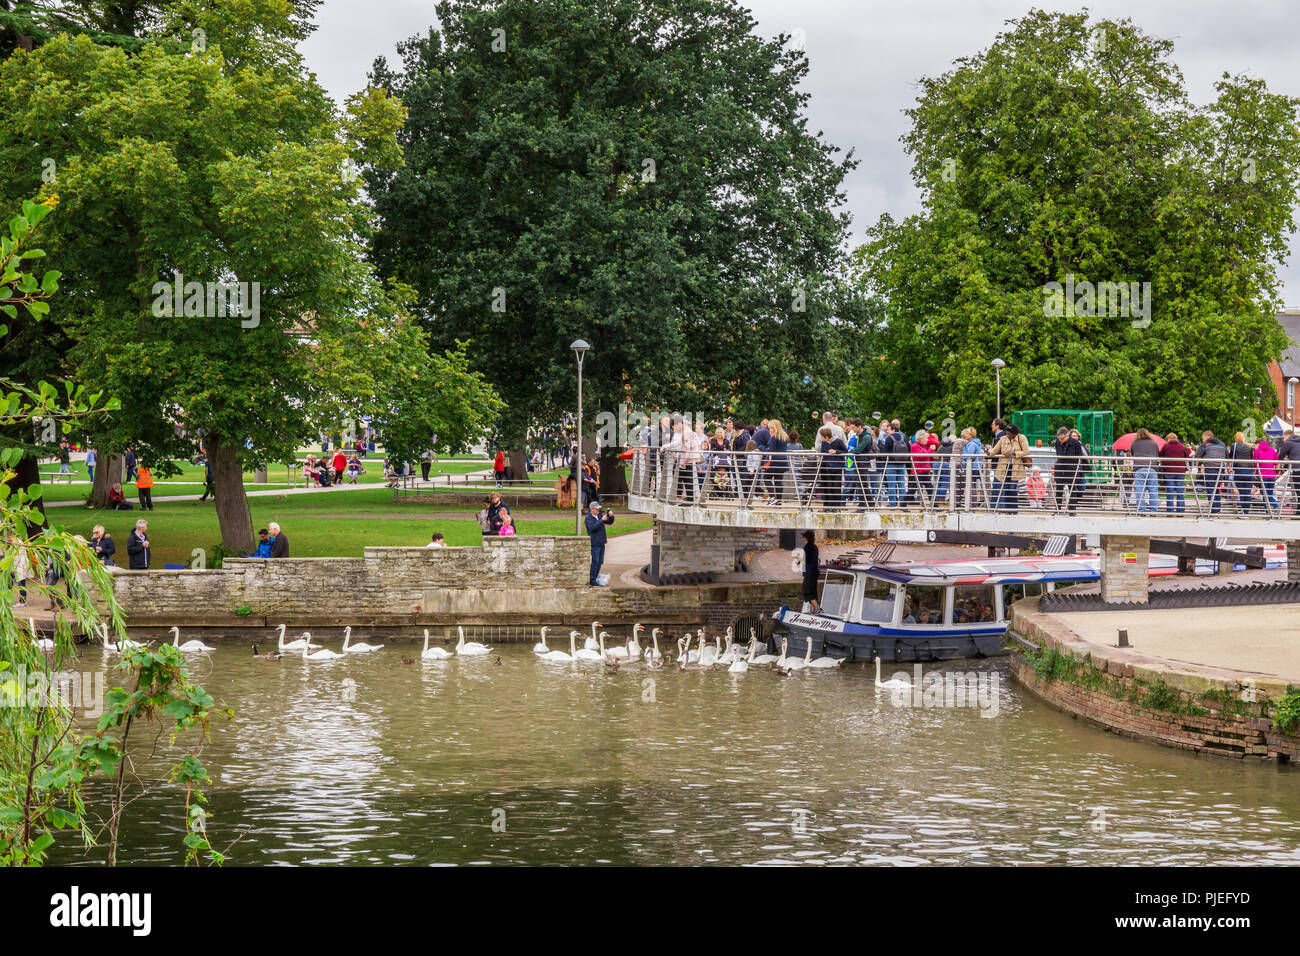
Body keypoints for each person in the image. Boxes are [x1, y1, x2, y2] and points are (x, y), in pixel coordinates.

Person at [989, 424, 1030, 511]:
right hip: (1003, 468)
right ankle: (1006, 509)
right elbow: (994, 450)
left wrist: (1014, 453)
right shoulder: (1003, 439)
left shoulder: (1021, 438)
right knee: (1004, 488)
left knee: (1012, 488)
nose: (1007, 435)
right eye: (1006, 433)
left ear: (1014, 433)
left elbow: (1026, 452)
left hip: (1015, 467)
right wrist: (988, 452)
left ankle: (1013, 509)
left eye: (1009, 433)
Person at [1194, 431, 1228, 514]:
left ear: (1206, 437)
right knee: (1216, 489)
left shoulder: (1205, 444)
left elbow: (1198, 456)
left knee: (1210, 489)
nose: (1203, 440)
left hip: (1210, 468)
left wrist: (1200, 465)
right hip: (1220, 470)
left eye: (1203, 438)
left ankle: (1213, 509)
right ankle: (1217, 508)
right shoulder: (1222, 444)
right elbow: (1227, 456)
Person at [1129, 428, 1161, 513]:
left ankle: (1141, 510)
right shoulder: (1154, 443)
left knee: (1139, 491)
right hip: (1152, 468)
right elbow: (1157, 455)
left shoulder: (1134, 443)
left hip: (1139, 469)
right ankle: (1154, 511)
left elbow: (1132, 454)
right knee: (1153, 491)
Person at [585, 500, 615, 586]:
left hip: (601, 542)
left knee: (600, 561)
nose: (598, 510)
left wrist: (611, 516)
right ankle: (592, 579)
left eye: (599, 509)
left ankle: (596, 576)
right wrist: (601, 520)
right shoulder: (588, 518)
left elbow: (610, 522)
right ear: (592, 509)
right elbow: (592, 528)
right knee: (595, 561)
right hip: (595, 543)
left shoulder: (599, 515)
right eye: (597, 509)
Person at [1158, 433, 1190, 514]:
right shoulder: (1181, 446)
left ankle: (1170, 511)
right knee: (1180, 491)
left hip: (1169, 471)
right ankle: (1180, 511)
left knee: (1170, 491)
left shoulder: (1166, 446)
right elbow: (1186, 456)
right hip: (1180, 471)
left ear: (1169, 439)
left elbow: (1160, 455)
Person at [1229, 431, 1256, 513]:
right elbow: (1251, 458)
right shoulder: (1249, 446)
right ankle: (1246, 512)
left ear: (1236, 438)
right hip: (1249, 472)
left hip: (1239, 471)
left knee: (1241, 492)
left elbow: (1231, 458)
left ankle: (1244, 511)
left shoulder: (1234, 445)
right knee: (1247, 492)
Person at [1254, 437, 1279, 513]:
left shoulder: (1257, 451)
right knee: (1269, 493)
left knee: (1265, 494)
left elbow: (1255, 464)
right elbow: (1276, 462)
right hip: (1271, 475)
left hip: (1262, 476)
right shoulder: (1272, 450)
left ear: (1258, 444)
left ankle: (1274, 505)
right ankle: (1268, 511)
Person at [801, 531, 819, 610]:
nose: (802, 538)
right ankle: (812, 610)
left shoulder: (807, 547)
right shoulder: (815, 547)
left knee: (807, 592)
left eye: (803, 536)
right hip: (814, 572)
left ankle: (818, 609)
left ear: (806, 538)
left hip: (809, 572)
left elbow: (807, 560)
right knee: (813, 591)